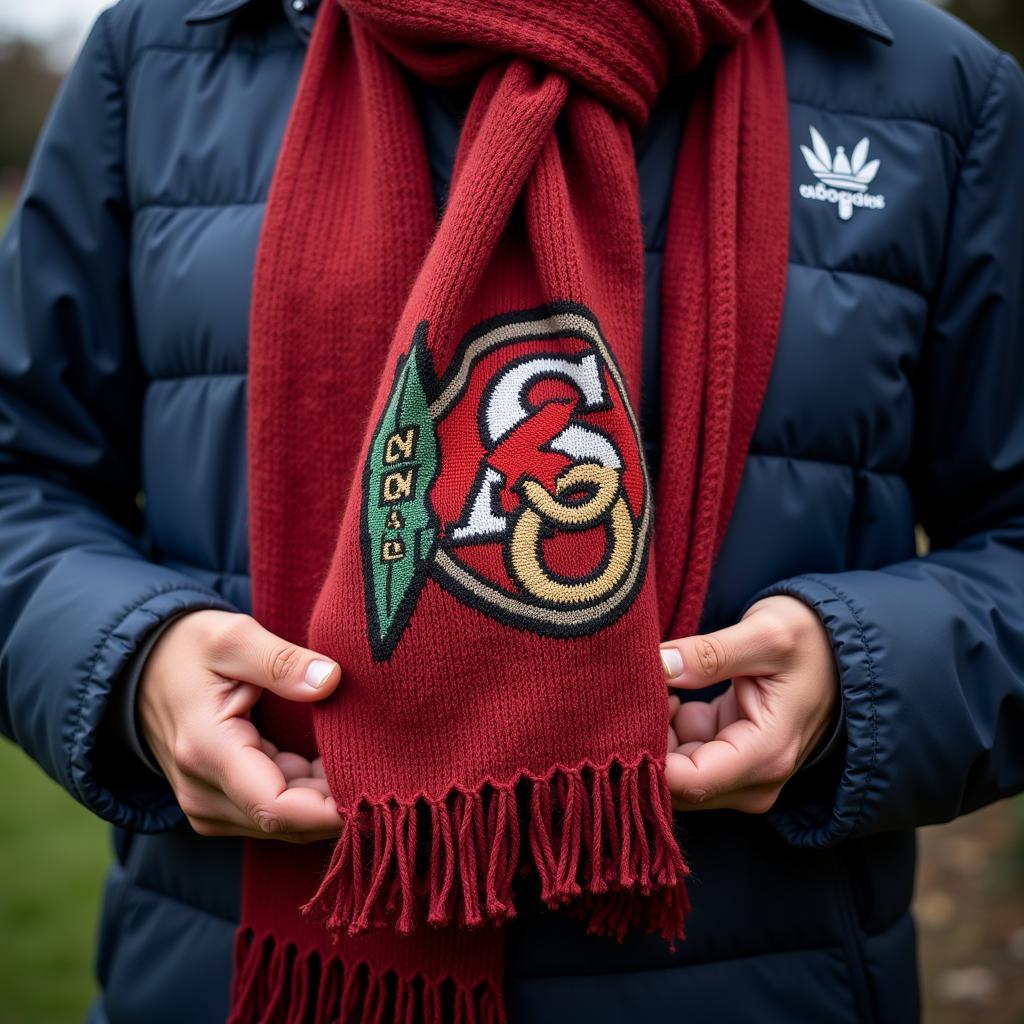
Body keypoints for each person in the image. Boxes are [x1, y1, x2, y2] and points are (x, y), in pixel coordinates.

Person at [0, 0, 1022, 1021]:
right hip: (216, 968)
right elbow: (22, 475)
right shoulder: (164, 53)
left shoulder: (934, 91)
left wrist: (860, 682)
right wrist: (131, 666)